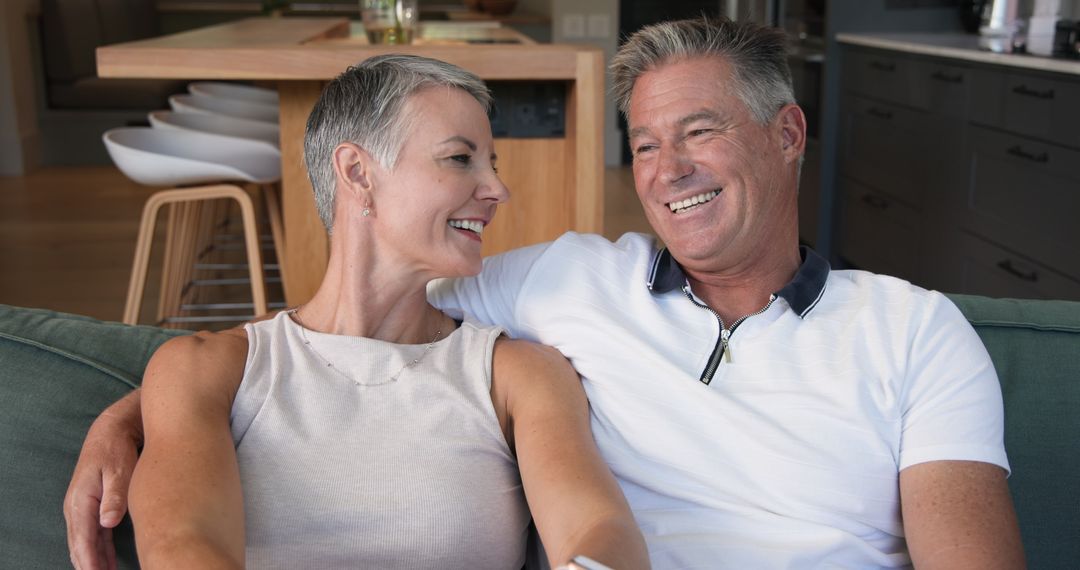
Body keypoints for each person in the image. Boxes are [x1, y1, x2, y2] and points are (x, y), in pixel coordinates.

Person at [67, 17, 1026, 569]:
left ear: (786, 135)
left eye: (701, 131)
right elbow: (342, 341)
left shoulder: (914, 329)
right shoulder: (569, 282)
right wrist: (144, 401)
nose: (667, 168)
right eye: (645, 144)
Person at [67, 54, 648, 570]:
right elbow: (181, 546)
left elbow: (599, 527)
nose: (496, 188)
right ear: (357, 174)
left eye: (492, 163)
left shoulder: (518, 374)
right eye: (461, 158)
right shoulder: (204, 369)